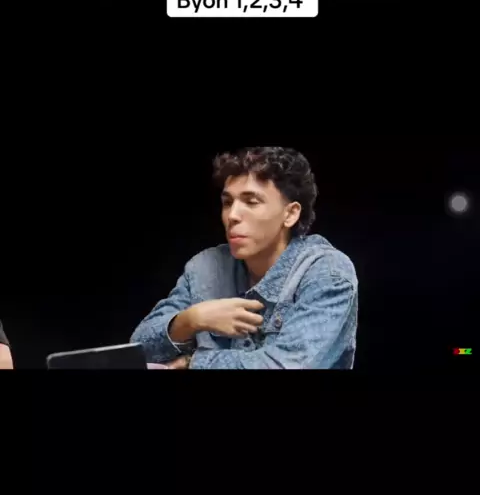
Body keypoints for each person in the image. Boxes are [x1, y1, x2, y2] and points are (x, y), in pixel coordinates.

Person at [130, 147, 358, 369]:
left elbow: (288, 364)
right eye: (227, 202)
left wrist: (192, 363)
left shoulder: (327, 272)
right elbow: (137, 351)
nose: (232, 215)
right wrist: (191, 320)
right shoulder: (206, 267)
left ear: (290, 214)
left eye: (251, 202)